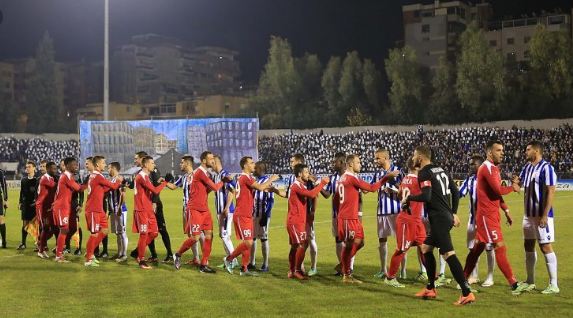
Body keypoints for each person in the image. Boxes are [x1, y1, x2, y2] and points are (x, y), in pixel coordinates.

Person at [405, 145, 475, 305]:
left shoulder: (424, 172)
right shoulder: (440, 170)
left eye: (414, 155)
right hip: (445, 217)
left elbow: (427, 196)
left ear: (421, 158)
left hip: (438, 219)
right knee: (426, 248)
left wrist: (409, 198)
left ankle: (466, 292)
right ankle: (430, 288)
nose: (413, 158)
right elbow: (455, 191)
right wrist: (454, 212)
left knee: (448, 253)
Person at [462, 140, 527, 296]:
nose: (502, 153)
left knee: (477, 249)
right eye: (498, 150)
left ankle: (462, 280)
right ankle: (514, 284)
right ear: (489, 152)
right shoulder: (487, 168)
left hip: (490, 215)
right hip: (486, 217)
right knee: (499, 246)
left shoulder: (494, 168)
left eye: (502, 150)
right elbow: (498, 190)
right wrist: (513, 187)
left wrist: (506, 210)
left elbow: (494, 195)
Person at [337, 154, 399, 284]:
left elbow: (338, 197)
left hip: (351, 217)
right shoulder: (351, 178)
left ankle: (344, 264)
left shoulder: (343, 177)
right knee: (349, 246)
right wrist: (386, 178)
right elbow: (371, 188)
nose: (360, 164)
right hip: (348, 218)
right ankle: (346, 274)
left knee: (360, 242)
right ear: (350, 164)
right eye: (358, 162)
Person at [173, 151, 227, 273]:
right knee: (195, 237)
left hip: (204, 209)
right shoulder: (200, 172)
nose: (213, 161)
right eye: (211, 159)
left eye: (213, 159)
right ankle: (178, 254)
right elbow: (215, 188)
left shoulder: (205, 173)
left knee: (209, 236)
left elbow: (207, 190)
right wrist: (224, 180)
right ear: (203, 160)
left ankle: (203, 265)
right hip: (195, 209)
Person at [223, 156, 278, 276]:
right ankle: (229, 259)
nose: (254, 165)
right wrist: (271, 179)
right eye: (252, 163)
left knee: (249, 242)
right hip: (242, 214)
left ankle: (244, 268)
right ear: (245, 166)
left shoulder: (245, 178)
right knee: (248, 243)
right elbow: (260, 187)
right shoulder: (245, 177)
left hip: (247, 214)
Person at [517, 140, 559, 294]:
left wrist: (545, 215)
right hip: (527, 215)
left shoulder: (547, 168)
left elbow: (551, 191)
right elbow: (519, 183)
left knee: (545, 246)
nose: (525, 152)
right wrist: (515, 183)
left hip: (541, 215)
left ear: (536, 151)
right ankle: (530, 281)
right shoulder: (527, 167)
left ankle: (553, 284)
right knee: (528, 245)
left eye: (528, 149)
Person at [384, 157, 426, 288]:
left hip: (415, 220)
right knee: (401, 249)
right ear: (417, 167)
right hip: (407, 220)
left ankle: (433, 276)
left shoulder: (405, 179)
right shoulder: (418, 180)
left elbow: (399, 195)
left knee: (424, 248)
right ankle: (390, 278)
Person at [459, 154, 497, 287]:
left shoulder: (488, 179)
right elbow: (459, 193)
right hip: (472, 220)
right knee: (472, 248)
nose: (470, 166)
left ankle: (490, 276)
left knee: (488, 247)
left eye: (472, 164)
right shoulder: (469, 180)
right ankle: (474, 275)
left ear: (480, 165)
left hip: (486, 220)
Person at [287, 163, 328, 279]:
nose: (308, 174)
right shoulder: (296, 186)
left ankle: (292, 270)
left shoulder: (300, 185)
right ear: (300, 174)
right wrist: (323, 183)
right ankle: (297, 270)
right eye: (306, 172)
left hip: (298, 220)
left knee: (295, 246)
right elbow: (311, 194)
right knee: (302, 244)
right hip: (295, 221)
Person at [371, 149, 405, 280]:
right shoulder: (378, 173)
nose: (376, 161)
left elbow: (404, 188)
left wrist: (394, 188)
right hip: (381, 211)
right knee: (382, 240)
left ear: (385, 158)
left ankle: (402, 270)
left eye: (378, 158)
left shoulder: (398, 170)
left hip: (396, 210)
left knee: (401, 242)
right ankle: (383, 269)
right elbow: (373, 187)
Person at [84, 156, 123, 267]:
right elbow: (113, 186)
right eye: (103, 163)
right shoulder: (97, 176)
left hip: (99, 209)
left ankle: (90, 252)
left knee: (105, 231)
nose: (105, 165)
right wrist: (118, 181)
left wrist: (112, 185)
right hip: (93, 209)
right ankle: (88, 259)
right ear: (97, 165)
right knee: (94, 234)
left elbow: (103, 189)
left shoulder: (95, 176)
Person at [133, 156, 169, 270]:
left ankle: (138, 252)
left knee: (154, 233)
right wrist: (166, 182)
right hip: (142, 210)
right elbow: (155, 190)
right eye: (152, 163)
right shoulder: (141, 177)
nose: (154, 165)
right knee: (144, 234)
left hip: (148, 210)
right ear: (145, 165)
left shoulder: (146, 177)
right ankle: (141, 260)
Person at [168, 155, 202, 265]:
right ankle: (196, 258)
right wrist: (163, 182)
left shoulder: (197, 175)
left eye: (182, 163)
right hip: (186, 209)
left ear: (187, 163)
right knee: (191, 234)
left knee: (198, 234)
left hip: (194, 209)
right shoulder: (184, 177)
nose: (180, 164)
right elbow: (173, 187)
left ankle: (203, 259)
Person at [52, 157, 87, 263]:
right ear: (67, 166)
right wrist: (90, 181)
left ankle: (59, 248)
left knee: (71, 228)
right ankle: (58, 255)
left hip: (65, 207)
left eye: (76, 164)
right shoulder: (66, 176)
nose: (76, 166)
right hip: (61, 207)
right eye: (74, 164)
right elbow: (79, 188)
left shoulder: (68, 176)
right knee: (64, 230)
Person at [320, 152, 347, 275]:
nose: (332, 163)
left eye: (334, 161)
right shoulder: (333, 177)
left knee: (348, 241)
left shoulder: (350, 176)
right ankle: (342, 267)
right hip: (336, 215)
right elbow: (327, 195)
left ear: (341, 162)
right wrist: (318, 184)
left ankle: (348, 268)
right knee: (338, 240)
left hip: (347, 215)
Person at [250, 161, 274, 272]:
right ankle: (252, 262)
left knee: (264, 238)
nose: (254, 170)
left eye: (256, 168)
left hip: (263, 214)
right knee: (253, 238)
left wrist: (266, 214)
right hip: (255, 214)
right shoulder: (257, 181)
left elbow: (271, 200)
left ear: (260, 169)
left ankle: (265, 264)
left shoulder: (267, 182)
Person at [211, 155, 235, 265]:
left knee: (225, 235)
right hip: (220, 211)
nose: (211, 164)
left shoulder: (224, 174)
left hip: (226, 211)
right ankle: (229, 259)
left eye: (212, 162)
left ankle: (233, 259)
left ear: (216, 163)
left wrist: (226, 207)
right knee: (223, 235)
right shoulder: (216, 176)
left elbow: (232, 190)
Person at [108, 161, 129, 263]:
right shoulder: (112, 180)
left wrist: (120, 207)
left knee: (122, 232)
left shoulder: (119, 179)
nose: (108, 170)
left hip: (120, 210)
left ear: (114, 169)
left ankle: (124, 255)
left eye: (109, 168)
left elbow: (123, 194)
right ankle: (119, 253)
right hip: (113, 210)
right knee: (118, 233)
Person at [36, 161, 58, 259]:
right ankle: (40, 249)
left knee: (51, 228)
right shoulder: (44, 178)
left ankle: (41, 246)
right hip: (41, 207)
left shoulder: (51, 178)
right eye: (53, 169)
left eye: (55, 169)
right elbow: (56, 186)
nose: (55, 170)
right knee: (45, 227)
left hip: (48, 206)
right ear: (48, 169)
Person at [18, 161, 38, 250]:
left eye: (29, 167)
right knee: (25, 224)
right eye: (26, 167)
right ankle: (23, 243)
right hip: (26, 205)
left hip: (34, 205)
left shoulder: (37, 180)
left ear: (34, 168)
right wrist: (20, 202)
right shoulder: (23, 180)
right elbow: (21, 192)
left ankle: (38, 243)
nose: (27, 168)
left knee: (36, 225)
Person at [0, 167, 7, 248]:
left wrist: (5, 199)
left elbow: (4, 185)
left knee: (1, 219)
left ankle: (4, 241)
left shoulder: (0, 172)